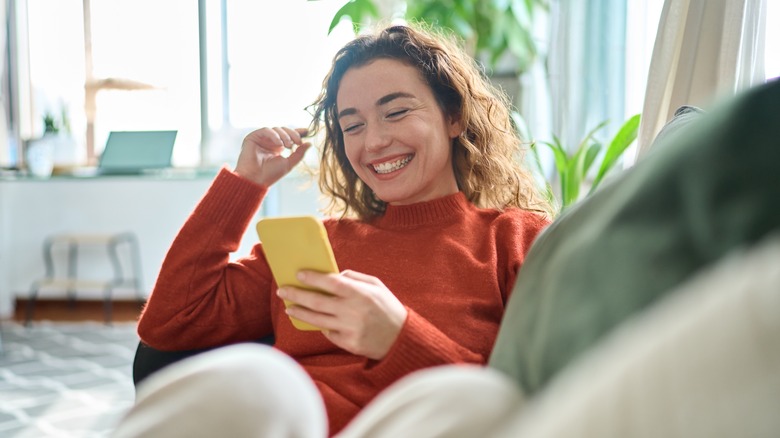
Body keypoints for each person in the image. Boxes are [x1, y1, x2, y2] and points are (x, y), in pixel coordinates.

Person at [117, 23, 550, 437]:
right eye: (353, 126)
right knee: (261, 377)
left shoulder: (515, 240)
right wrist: (244, 185)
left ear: (453, 116)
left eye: (395, 112)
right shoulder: (316, 247)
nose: (374, 141)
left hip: (424, 424)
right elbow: (169, 325)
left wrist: (399, 338)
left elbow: (525, 403)